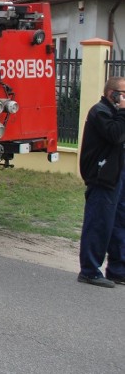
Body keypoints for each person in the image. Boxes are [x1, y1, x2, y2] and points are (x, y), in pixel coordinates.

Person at [78, 76, 125, 287]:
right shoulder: (100, 111)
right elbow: (115, 136)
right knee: (99, 222)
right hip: (102, 176)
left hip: (118, 175)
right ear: (112, 94)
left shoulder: (117, 114)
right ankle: (89, 270)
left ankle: (117, 269)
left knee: (119, 223)